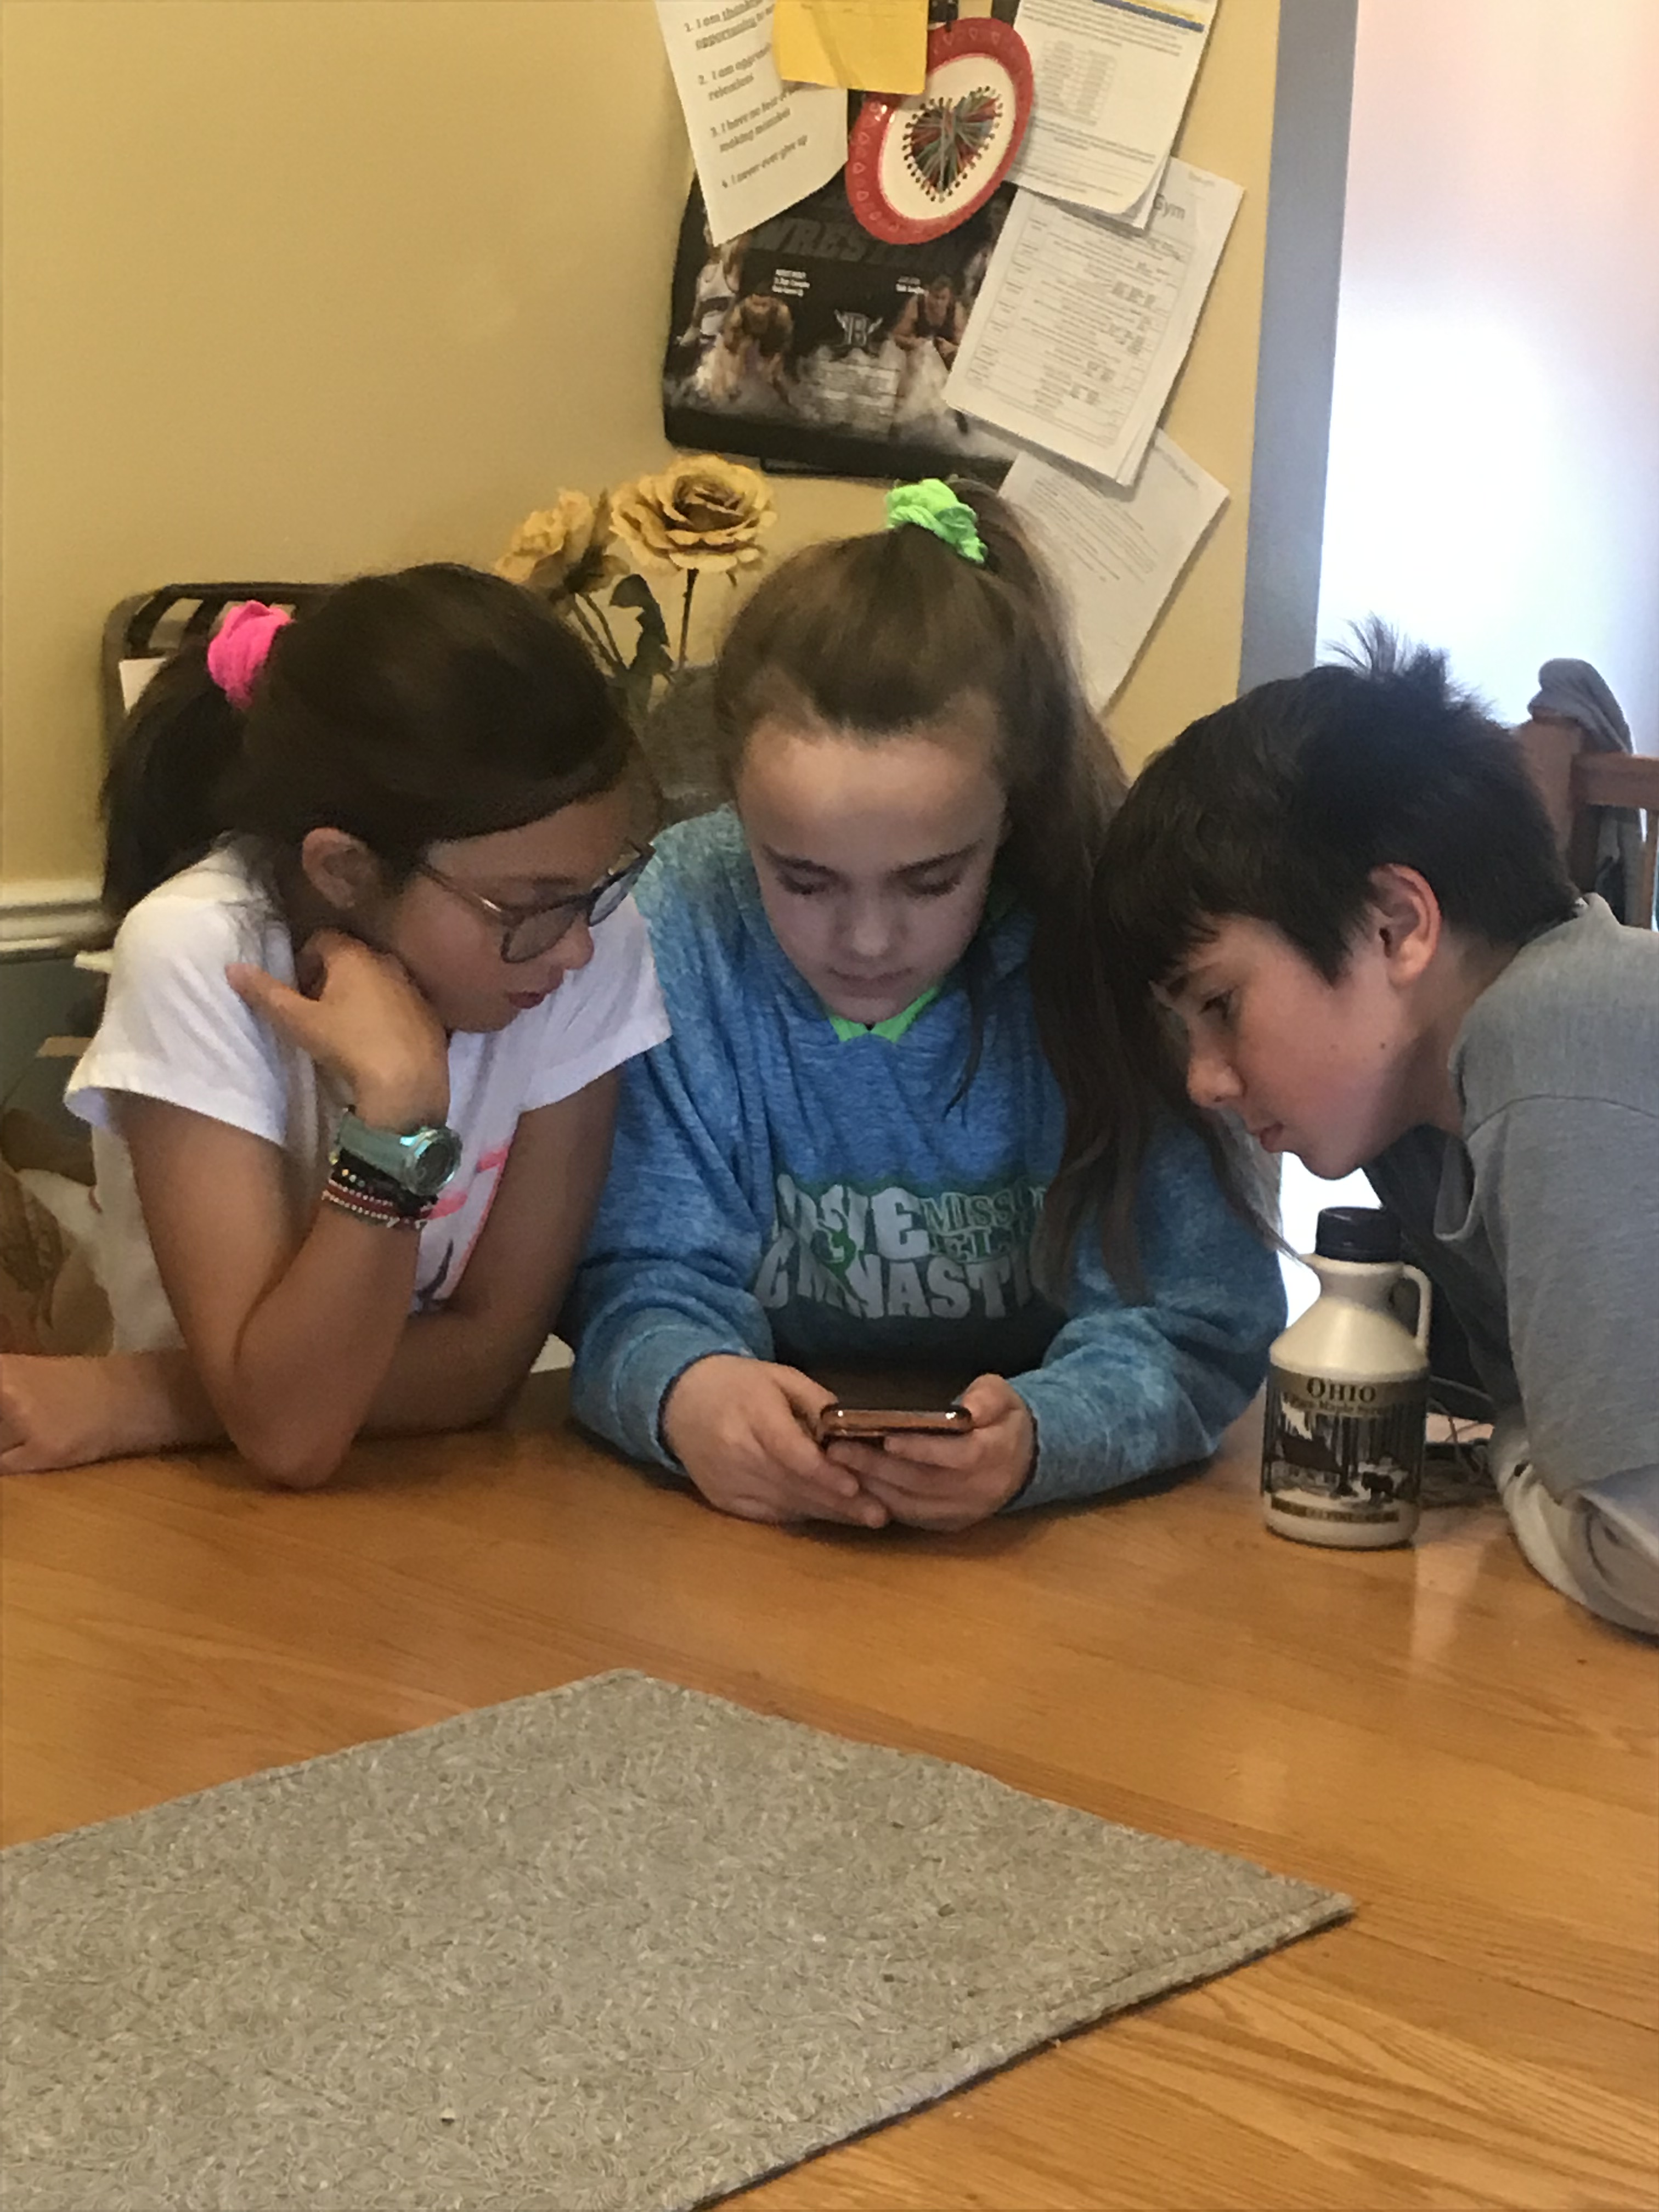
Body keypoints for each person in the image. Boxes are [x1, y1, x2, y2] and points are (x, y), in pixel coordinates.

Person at [566, 479, 1285, 1533]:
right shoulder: (678, 919)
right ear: (736, 812)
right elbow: (630, 1278)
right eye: (803, 880)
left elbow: (1199, 1319)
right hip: (753, 1530)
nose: (866, 941)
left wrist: (1045, 1436)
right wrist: (688, 1392)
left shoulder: (1104, 937)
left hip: (1065, 1543)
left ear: (1011, 819)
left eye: (931, 881)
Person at [0, 566, 668, 1485]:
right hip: (189, 1502)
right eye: (525, 906)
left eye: (595, 889)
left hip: (458, 1481)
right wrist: (399, 1121)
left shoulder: (583, 938)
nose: (577, 947)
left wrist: (139, 1397)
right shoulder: (202, 951)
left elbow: (490, 1360)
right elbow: (292, 1439)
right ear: (344, 871)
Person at [1096, 626, 1658, 1634]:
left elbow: (1639, 1561)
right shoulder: (1416, 1126)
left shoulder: (1558, 1038)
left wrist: (1515, 1454)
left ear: (1397, 925)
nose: (1204, 1080)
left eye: (1220, 1005)